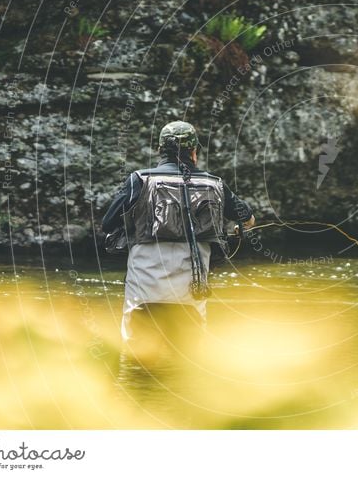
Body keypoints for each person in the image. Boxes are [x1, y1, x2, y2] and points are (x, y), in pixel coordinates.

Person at [102, 121, 255, 350]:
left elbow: (108, 224)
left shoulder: (139, 180)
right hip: (190, 296)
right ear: (194, 152)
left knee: (137, 356)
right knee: (188, 357)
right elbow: (248, 219)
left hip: (144, 292)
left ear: (160, 150)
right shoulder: (215, 184)